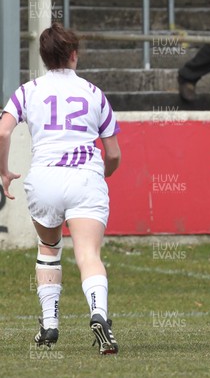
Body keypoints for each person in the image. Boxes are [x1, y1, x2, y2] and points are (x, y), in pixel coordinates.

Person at [0, 23, 121, 355]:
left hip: (45, 179)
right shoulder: (94, 92)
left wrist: (5, 172)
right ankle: (99, 313)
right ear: (73, 55)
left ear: (43, 57)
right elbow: (112, 153)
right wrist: (103, 175)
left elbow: (3, 132)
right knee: (88, 254)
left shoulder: (27, 90)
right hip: (84, 177)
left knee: (49, 248)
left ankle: (50, 326)